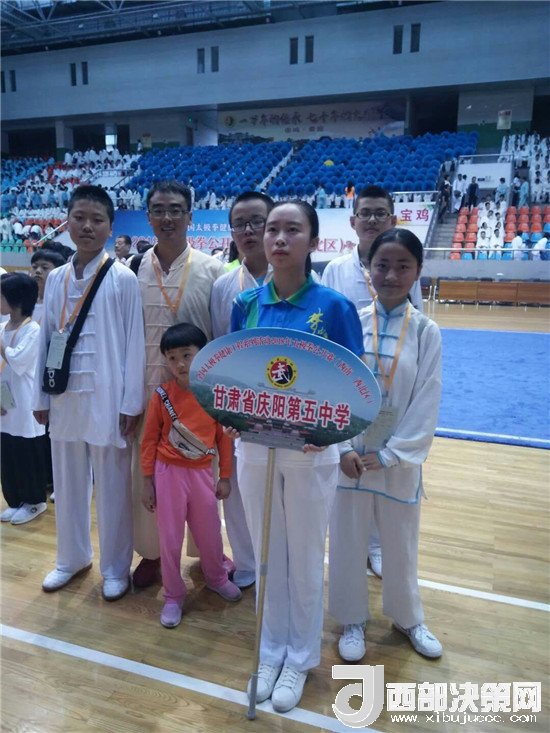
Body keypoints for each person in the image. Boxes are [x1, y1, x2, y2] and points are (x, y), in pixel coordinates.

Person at [231, 201, 365, 713]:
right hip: (256, 448)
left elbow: (356, 388)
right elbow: (232, 374)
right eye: (272, 230)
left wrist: (330, 434)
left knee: (305, 557)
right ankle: (270, 652)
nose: (279, 239)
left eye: (293, 230)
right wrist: (231, 415)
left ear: (314, 241)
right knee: (268, 553)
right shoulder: (245, 303)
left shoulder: (334, 307)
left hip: (311, 452)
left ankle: (300, 658)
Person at [329, 228, 443, 663]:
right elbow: (334, 389)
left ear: (417, 271)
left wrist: (392, 454)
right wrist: (343, 447)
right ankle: (351, 619)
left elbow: (427, 398)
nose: (391, 275)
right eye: (382, 265)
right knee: (347, 541)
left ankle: (407, 617)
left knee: (400, 542)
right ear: (369, 269)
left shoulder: (427, 332)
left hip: (397, 462)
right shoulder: (351, 322)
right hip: (352, 458)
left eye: (402, 266)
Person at [33, 185, 145, 600]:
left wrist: (131, 402)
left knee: (113, 487)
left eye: (97, 220)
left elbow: (134, 344)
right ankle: (72, 557)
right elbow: (46, 338)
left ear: (110, 227)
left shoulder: (123, 278)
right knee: (67, 482)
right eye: (79, 217)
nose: (87, 226)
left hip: (107, 397)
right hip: (64, 396)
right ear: (67, 221)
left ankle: (115, 567)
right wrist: (41, 398)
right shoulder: (56, 278)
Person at [321, 185, 423, 578]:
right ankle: (351, 547)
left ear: (393, 219)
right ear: (353, 220)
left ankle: (377, 547)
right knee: (349, 474)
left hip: (393, 386)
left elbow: (417, 321)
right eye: (365, 213)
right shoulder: (336, 268)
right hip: (351, 386)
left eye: (380, 213)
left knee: (384, 470)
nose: (372, 220)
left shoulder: (404, 262)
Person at [131, 180, 226, 589]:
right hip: (149, 392)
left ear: (190, 216)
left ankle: (207, 552)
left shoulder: (212, 269)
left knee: (202, 478)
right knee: (150, 476)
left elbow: (221, 338)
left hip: (198, 398)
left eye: (175, 210)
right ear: (148, 216)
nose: (167, 217)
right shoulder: (134, 269)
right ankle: (152, 553)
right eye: (158, 210)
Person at [140, 323, 241, 628]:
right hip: (167, 474)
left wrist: (225, 476)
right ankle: (173, 595)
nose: (180, 364)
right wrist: (147, 480)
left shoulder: (214, 394)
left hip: (201, 473)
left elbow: (224, 439)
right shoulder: (162, 395)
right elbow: (149, 439)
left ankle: (216, 577)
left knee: (209, 531)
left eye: (187, 355)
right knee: (170, 538)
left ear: (202, 353)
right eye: (172, 358)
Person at [210, 192, 274, 590]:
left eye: (257, 222)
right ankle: (247, 563)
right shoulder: (223, 285)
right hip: (238, 405)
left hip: (284, 404)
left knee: (280, 490)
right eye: (240, 224)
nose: (248, 231)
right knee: (236, 489)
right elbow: (219, 347)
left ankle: (279, 563)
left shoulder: (297, 280)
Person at [0, 273, 48, 525]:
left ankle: (34, 501)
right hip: (4, 401)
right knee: (7, 451)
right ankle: (15, 500)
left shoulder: (33, 330)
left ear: (16, 300)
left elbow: (18, 362)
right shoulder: (2, 328)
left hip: (25, 402)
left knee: (26, 452)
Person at [30, 248, 67, 325]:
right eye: (34, 267)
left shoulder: (62, 303)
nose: (38, 271)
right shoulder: (23, 301)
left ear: (58, 272)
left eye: (45, 268)